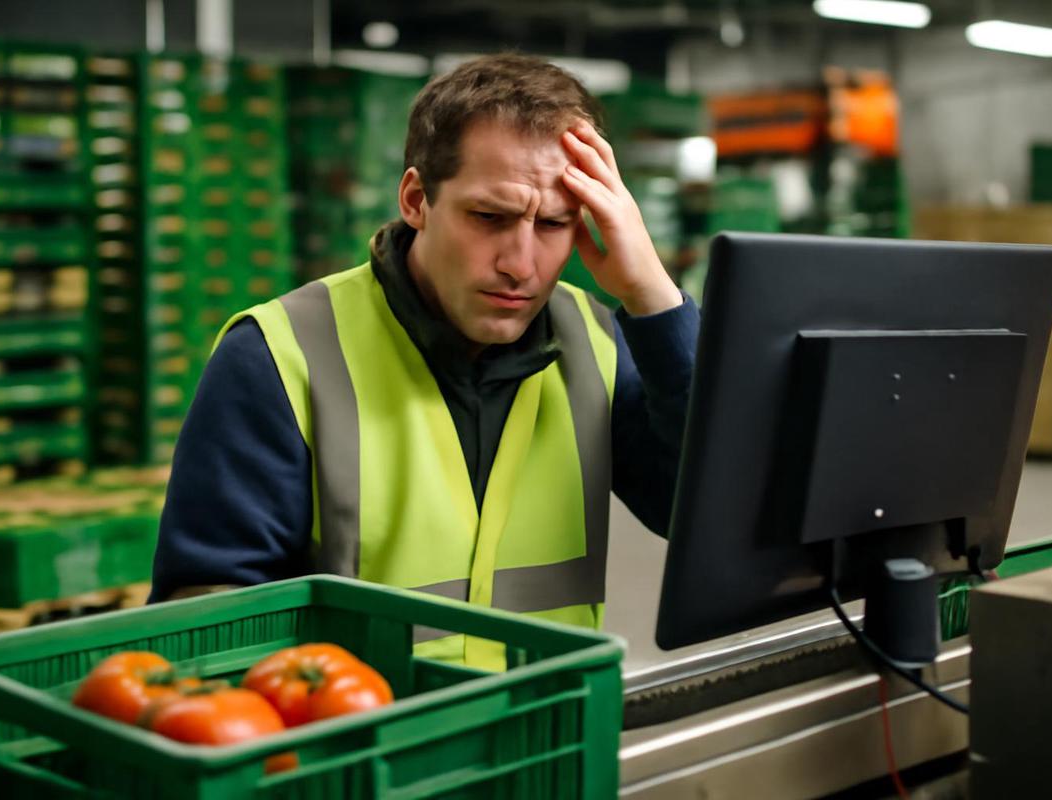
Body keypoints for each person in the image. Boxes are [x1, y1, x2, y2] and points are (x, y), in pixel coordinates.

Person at [151, 53, 700, 668]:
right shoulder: (279, 357)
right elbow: (210, 624)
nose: (521, 263)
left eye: (553, 224)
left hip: (547, 739)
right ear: (416, 199)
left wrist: (653, 297)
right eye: (489, 217)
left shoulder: (595, 345)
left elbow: (699, 515)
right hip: (363, 752)